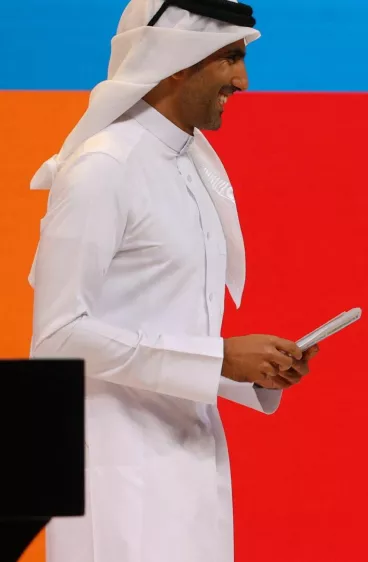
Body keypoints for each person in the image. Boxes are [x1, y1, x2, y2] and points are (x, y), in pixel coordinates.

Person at [26, 1, 318, 560]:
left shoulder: (191, 166)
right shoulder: (104, 167)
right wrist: (218, 359)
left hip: (189, 465)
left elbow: (165, 327)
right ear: (178, 60)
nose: (243, 80)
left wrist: (249, 372)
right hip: (114, 477)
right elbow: (57, 336)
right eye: (230, 58)